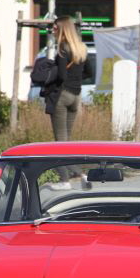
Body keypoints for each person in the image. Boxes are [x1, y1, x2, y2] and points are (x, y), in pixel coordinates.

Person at [44, 16, 94, 190]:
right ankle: (82, 175)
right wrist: (76, 77)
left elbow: (61, 76)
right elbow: (89, 71)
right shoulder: (81, 48)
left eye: (55, 28)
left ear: (62, 29)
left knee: (60, 143)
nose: (53, 30)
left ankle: (65, 180)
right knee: (67, 142)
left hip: (62, 96)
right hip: (76, 96)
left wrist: (50, 77)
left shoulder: (62, 49)